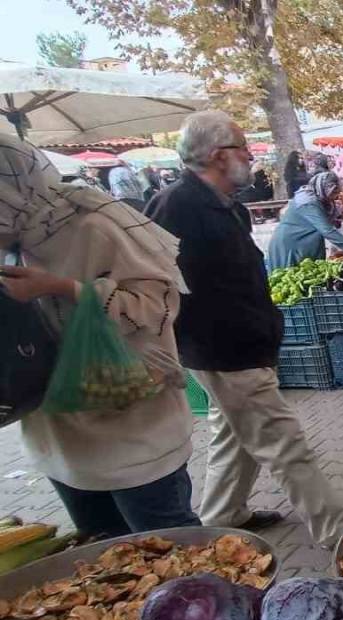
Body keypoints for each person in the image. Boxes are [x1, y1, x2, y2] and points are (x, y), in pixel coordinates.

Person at [147, 110, 343, 546]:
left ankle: (224, 515)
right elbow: (152, 282)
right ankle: (338, 530)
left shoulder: (224, 204)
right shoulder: (177, 206)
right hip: (224, 348)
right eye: (243, 147)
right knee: (282, 442)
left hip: (240, 343)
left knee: (232, 434)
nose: (251, 156)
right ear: (219, 156)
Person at [0, 134, 201, 539]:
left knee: (172, 550)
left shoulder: (94, 226)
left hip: (131, 434)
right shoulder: (14, 239)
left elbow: (157, 307)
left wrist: (59, 287)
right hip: (58, 439)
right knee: (106, 558)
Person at [267, 172, 343, 271]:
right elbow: (326, 230)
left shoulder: (321, 197)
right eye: (334, 193)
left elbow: (333, 225)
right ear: (324, 189)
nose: (336, 196)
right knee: (292, 275)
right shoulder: (308, 202)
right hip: (291, 244)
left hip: (305, 243)